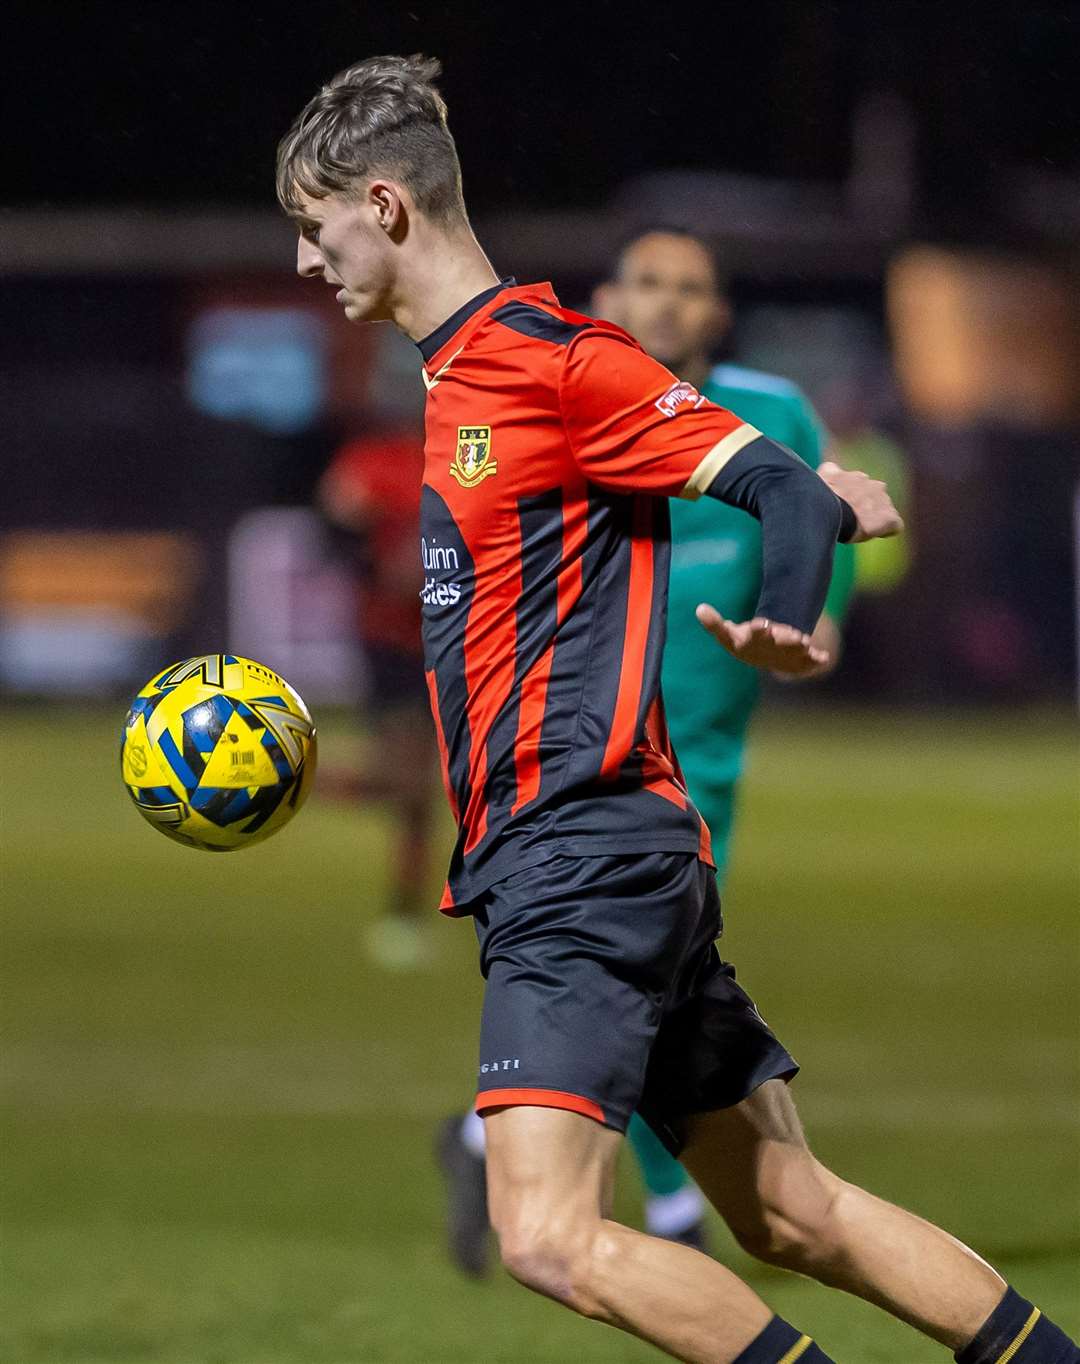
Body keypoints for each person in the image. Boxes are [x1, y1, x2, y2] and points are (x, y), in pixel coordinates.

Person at [276, 54, 1079, 1364]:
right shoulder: (458, 380)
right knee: (794, 1214)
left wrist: (790, 603)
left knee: (546, 1236)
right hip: (602, 855)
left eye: (316, 232)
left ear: (386, 204)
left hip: (581, 861)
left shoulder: (551, 361)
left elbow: (780, 482)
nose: (311, 264)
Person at [435, 226, 857, 1267]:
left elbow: (821, 576)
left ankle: (483, 1134)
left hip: (705, 763)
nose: (667, 302)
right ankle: (672, 1216)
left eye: (690, 287)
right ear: (611, 295)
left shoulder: (773, 417)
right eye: (647, 282)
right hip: (599, 776)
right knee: (646, 985)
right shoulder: (569, 399)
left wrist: (805, 631)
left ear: (717, 312)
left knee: (645, 995)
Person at [316, 330, 439, 969]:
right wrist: (380, 569)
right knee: (412, 785)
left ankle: (408, 912)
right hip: (391, 642)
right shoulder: (369, 461)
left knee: (427, 788)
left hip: (455, 641)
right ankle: (403, 914)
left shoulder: (463, 451)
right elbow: (331, 538)